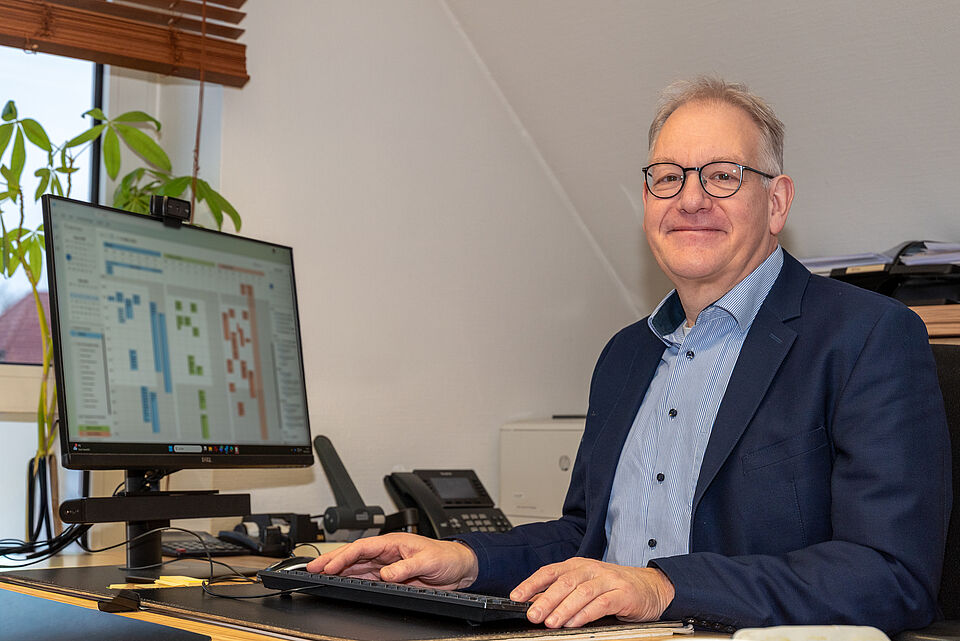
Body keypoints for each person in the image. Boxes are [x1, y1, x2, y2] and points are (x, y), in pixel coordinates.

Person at [306, 77, 951, 635]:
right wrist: (467, 560)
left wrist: (663, 586)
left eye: (723, 176)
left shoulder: (868, 336)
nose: (690, 199)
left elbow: (891, 574)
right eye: (668, 178)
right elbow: (584, 539)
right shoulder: (625, 355)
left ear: (777, 201)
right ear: (647, 203)